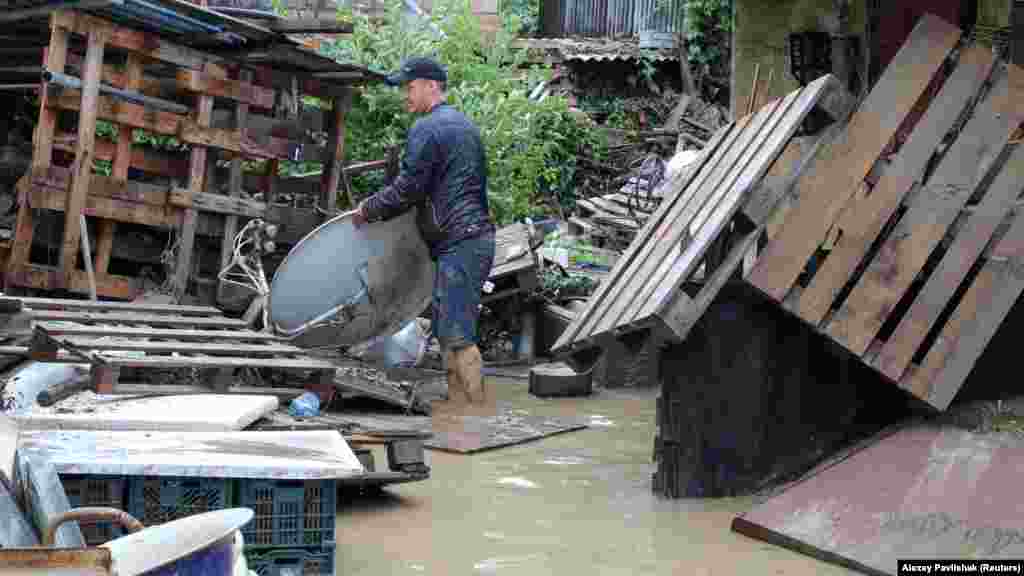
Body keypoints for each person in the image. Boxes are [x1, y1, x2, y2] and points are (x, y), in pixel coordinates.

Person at [352, 56, 496, 409]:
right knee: (449, 330)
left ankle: (477, 415)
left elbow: (408, 188)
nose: (406, 95)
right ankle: (458, 408)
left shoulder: (428, 128)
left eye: (410, 87)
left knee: (458, 335)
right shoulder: (462, 125)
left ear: (432, 86)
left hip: (462, 239)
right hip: (468, 237)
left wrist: (367, 210)